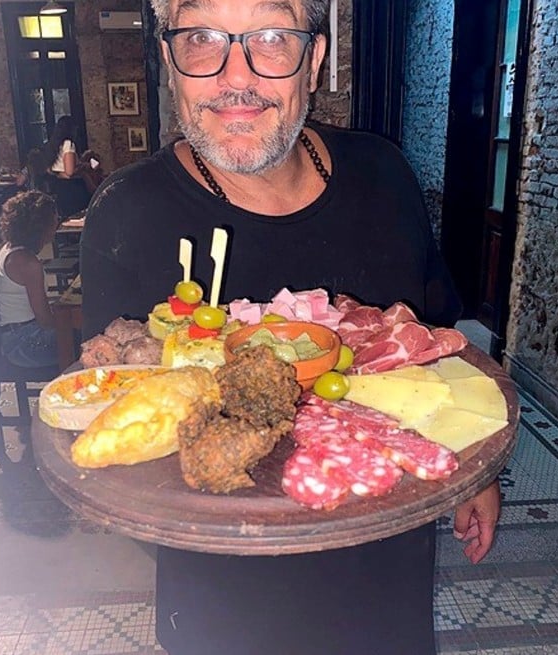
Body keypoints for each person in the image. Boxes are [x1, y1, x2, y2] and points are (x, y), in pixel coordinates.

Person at [79, 1, 501, 653]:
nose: (235, 75)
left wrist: (477, 472)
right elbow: (122, 450)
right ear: (169, 61)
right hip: (225, 607)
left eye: (272, 38)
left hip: (387, 587)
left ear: (315, 61)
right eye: (201, 38)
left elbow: (438, 346)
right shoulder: (127, 217)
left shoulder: (383, 175)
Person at [0, 190, 63, 368]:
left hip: (16, 335)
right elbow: (45, 320)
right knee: (87, 341)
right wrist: (69, 322)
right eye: (54, 219)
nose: (57, 222)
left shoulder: (10, 248)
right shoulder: (27, 263)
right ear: (41, 226)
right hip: (24, 342)